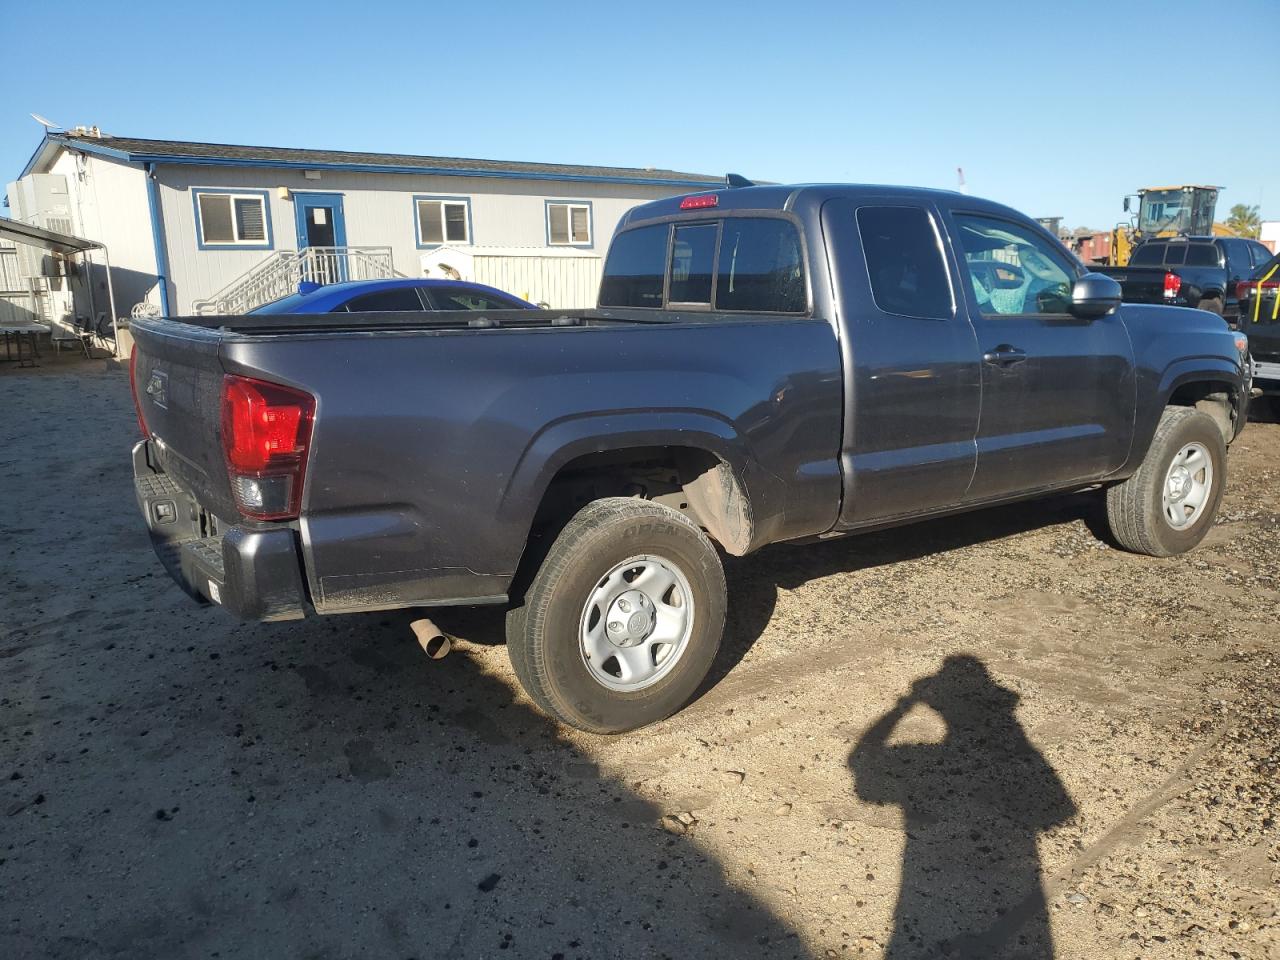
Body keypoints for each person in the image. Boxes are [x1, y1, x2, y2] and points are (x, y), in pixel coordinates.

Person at [849, 655, 1076, 958]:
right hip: (1014, 884)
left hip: (929, 885)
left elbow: (862, 765)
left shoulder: (925, 756)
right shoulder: (1022, 753)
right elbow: (1057, 812)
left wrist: (903, 707)